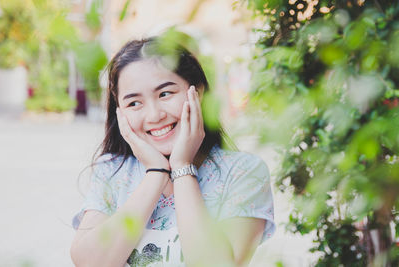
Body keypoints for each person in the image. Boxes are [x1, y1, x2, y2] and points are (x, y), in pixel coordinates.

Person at [70, 35, 275, 267]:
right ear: (120, 114)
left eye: (165, 94)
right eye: (134, 103)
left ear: (197, 92)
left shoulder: (243, 172)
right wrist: (156, 173)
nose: (155, 115)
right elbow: (89, 262)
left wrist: (182, 168)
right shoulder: (112, 169)